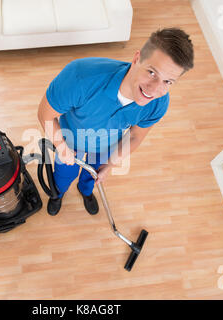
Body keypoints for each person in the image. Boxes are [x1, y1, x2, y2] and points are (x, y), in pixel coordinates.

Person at [37, 27, 194, 216]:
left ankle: (85, 192)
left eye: (167, 82)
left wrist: (111, 164)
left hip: (105, 147)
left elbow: (135, 136)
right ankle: (58, 195)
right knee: (63, 175)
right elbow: (45, 114)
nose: (155, 89)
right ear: (137, 59)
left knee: (93, 175)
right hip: (69, 140)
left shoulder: (158, 103)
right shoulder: (80, 76)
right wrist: (61, 147)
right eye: (152, 72)